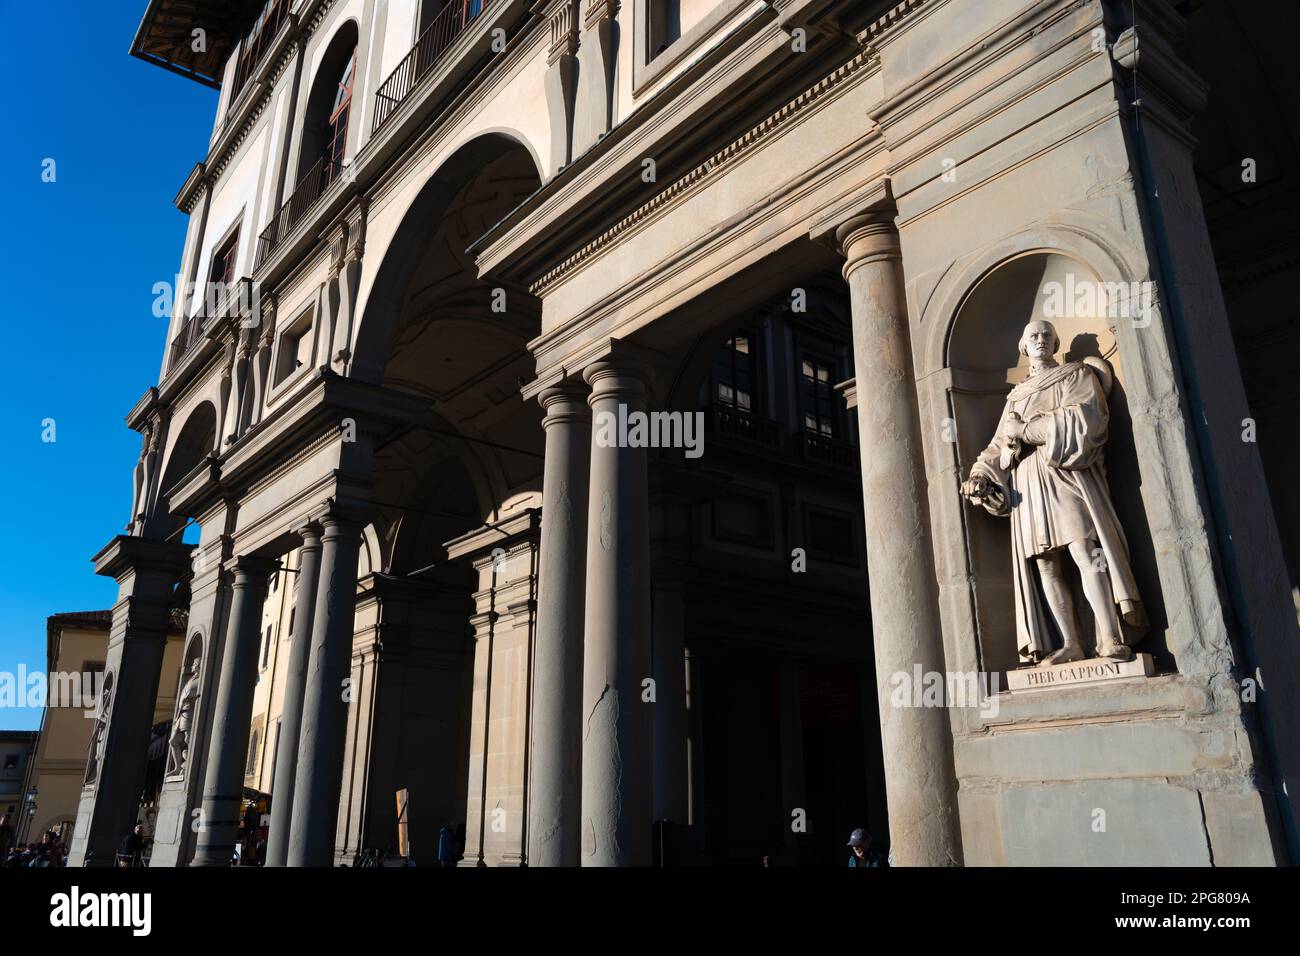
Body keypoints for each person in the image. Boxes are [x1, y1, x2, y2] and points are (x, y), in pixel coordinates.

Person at [960, 319, 1145, 665]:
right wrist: (981, 476)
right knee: (1046, 564)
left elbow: (1087, 421)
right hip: (1028, 484)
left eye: (1047, 335)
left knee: (1084, 550)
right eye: (1034, 335)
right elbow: (998, 446)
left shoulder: (1075, 376)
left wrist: (1026, 430)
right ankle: (1071, 643)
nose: (1041, 340)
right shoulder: (1015, 396)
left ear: (1055, 343)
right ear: (1023, 346)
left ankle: (1108, 636)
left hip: (1065, 474)